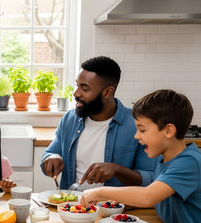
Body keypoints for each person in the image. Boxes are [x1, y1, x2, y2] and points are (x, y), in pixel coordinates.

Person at [81, 89, 201, 223]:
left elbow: (148, 196)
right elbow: (161, 197)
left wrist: (98, 191)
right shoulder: (164, 159)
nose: (136, 136)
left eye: (142, 129)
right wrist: (130, 201)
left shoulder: (189, 163)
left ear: (169, 131)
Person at [41, 56, 155, 190]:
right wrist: (51, 158)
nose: (76, 93)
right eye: (77, 85)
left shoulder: (137, 124)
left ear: (107, 92)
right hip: (71, 206)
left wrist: (116, 170)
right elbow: (50, 154)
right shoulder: (69, 119)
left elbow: (151, 178)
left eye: (84, 88)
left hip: (113, 208)